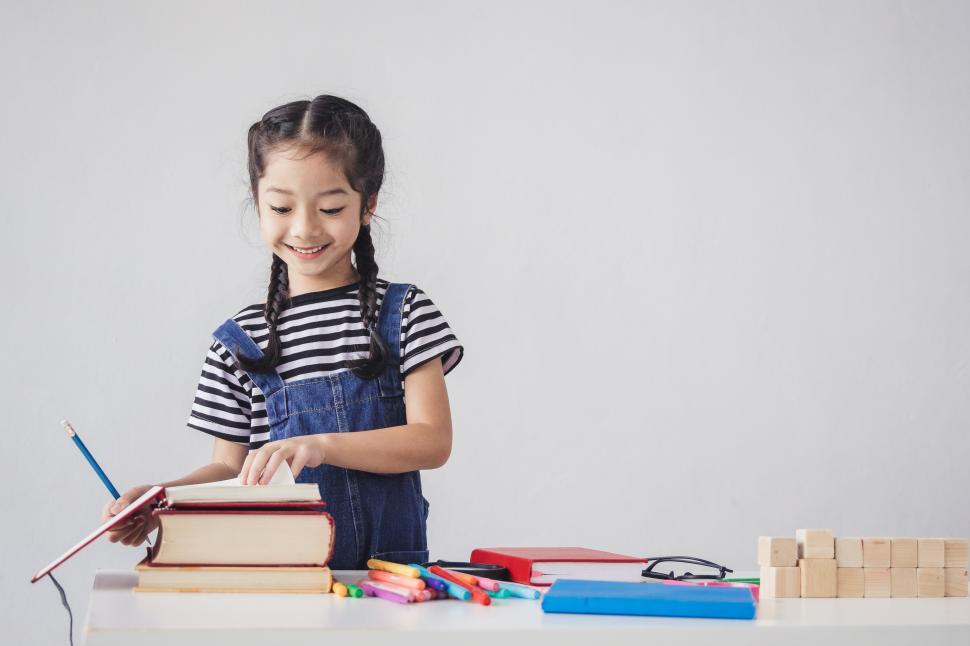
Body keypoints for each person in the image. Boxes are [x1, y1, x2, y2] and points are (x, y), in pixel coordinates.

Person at [100, 95, 463, 569]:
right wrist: (161, 497)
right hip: (282, 580)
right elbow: (230, 470)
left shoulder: (404, 312)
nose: (305, 228)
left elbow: (432, 441)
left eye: (331, 208)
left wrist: (321, 445)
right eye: (281, 207)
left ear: (368, 205)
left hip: (389, 583)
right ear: (258, 203)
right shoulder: (239, 341)